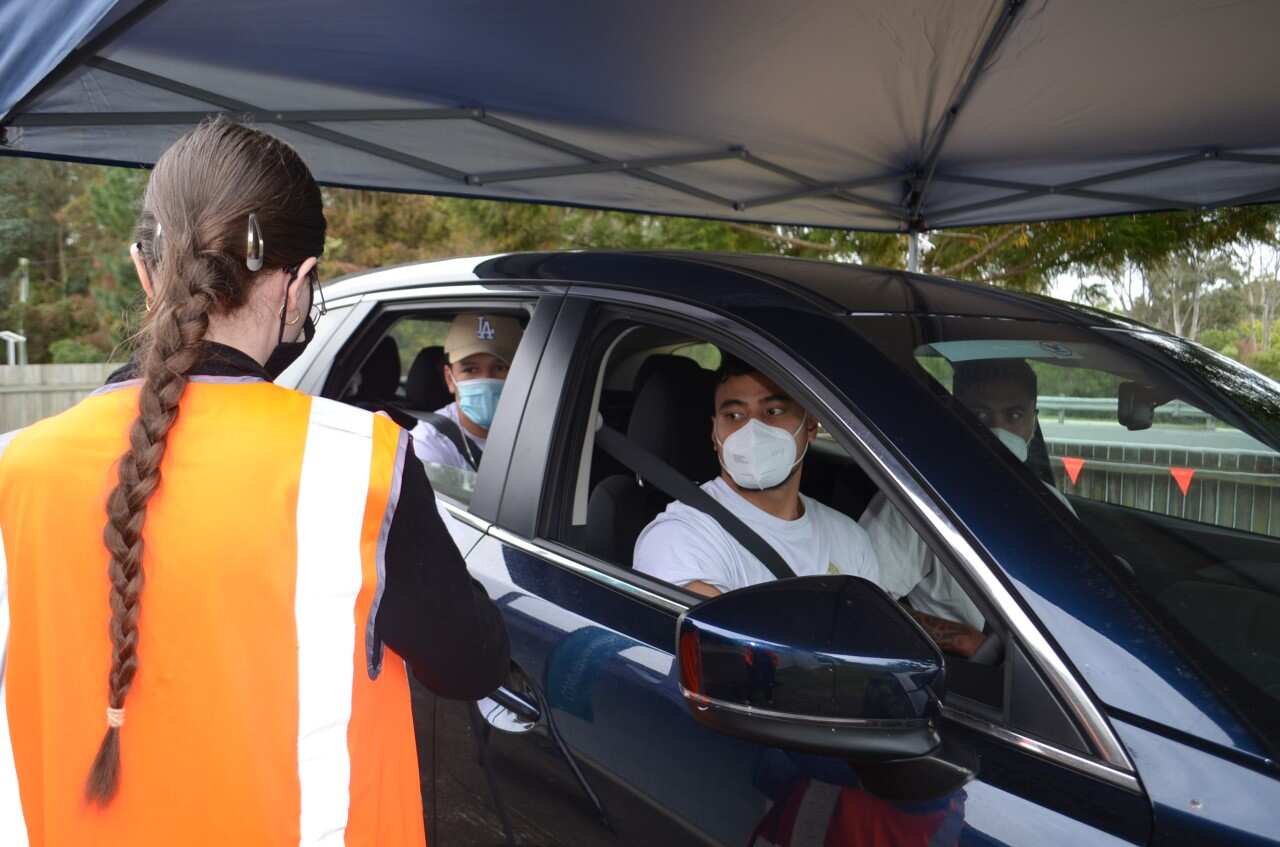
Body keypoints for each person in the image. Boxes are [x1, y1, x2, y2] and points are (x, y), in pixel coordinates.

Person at [0, 118, 508, 845]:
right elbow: (470, 661)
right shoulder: (361, 465)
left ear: (146, 270)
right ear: (299, 285)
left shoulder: (15, 468)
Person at [632, 355, 987, 656]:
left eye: (773, 410)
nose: (753, 431)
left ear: (811, 425)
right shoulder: (680, 536)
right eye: (734, 416)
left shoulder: (849, 537)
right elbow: (721, 658)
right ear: (714, 433)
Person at [861, 357, 1075, 638]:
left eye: (1014, 415)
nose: (997, 430)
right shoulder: (919, 501)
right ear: (957, 416)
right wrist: (964, 640)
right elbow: (864, 602)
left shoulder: (1053, 505)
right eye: (981, 415)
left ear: (1033, 423)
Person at [409, 312, 523, 471]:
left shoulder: (545, 428)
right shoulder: (429, 442)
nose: (486, 379)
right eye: (470, 369)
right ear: (450, 378)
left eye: (500, 367)